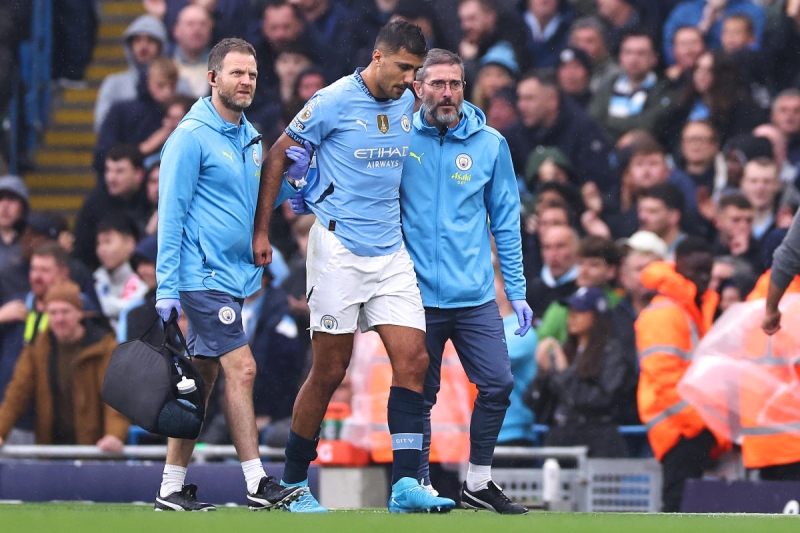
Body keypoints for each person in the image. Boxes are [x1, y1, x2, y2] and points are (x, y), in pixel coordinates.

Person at [252, 21, 455, 514]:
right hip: (338, 250)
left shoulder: (410, 101)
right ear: (378, 56)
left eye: (416, 71)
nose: (411, 79)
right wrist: (262, 231)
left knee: (415, 361)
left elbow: (454, 120)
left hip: (390, 251)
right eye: (404, 68)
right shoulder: (332, 100)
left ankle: (406, 484)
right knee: (329, 370)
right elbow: (279, 155)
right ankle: (295, 483)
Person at [153, 37, 305, 512]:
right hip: (200, 276)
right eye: (237, 73)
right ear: (212, 78)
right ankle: (258, 483)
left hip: (230, 277)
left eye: (252, 74)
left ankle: (170, 489)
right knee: (243, 368)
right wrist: (165, 285)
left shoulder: (250, 138)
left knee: (202, 383)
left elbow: (249, 204)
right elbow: (171, 213)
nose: (246, 82)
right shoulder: (190, 136)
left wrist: (294, 186)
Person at [400, 49, 531, 514]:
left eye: (454, 83)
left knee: (497, 384)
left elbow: (507, 222)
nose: (447, 93)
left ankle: (478, 481)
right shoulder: (399, 139)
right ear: (418, 89)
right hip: (415, 297)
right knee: (419, 397)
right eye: (437, 84)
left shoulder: (491, 144)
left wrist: (515, 290)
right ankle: (418, 484)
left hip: (474, 297)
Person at [636, 236, 727, 512]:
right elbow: (665, 380)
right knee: (678, 507)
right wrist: (697, 423)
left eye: (706, 271)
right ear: (678, 266)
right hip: (679, 428)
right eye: (695, 270)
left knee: (686, 508)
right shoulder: (667, 313)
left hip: (690, 425)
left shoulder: (691, 309)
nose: (702, 278)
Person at [0, 280, 128, 450]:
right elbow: (16, 396)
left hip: (94, 450)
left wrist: (114, 436)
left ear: (80, 313)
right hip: (50, 450)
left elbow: (116, 399)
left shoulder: (105, 349)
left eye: (65, 311)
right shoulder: (37, 349)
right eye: (53, 312)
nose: (59, 319)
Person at [528, 286, 629, 458]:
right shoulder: (564, 352)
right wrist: (542, 374)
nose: (572, 316)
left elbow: (602, 400)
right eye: (571, 311)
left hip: (598, 441)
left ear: (597, 316)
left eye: (580, 311)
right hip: (560, 438)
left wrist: (565, 373)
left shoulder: (612, 352)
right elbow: (534, 404)